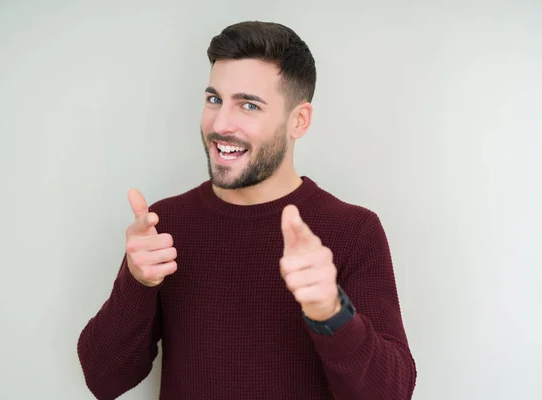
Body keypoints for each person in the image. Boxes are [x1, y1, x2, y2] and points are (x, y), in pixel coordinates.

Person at [77, 20, 417, 400]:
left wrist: (331, 313)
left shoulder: (353, 230)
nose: (220, 124)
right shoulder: (164, 226)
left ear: (298, 121)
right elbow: (102, 380)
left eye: (249, 105)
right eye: (214, 99)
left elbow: (390, 394)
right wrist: (137, 285)